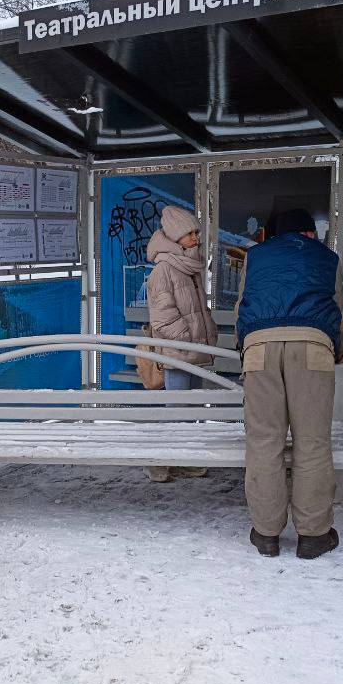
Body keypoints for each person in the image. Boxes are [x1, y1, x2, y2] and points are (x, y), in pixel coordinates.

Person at [235, 204, 342, 560]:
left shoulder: (256, 256)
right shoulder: (326, 258)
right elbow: (334, 307)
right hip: (312, 345)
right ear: (310, 233)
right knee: (312, 442)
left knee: (265, 442)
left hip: (259, 347)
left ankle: (266, 534)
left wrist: (244, 346)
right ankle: (313, 536)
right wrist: (336, 347)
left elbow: (242, 306)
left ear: (273, 234)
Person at [144, 205, 218, 482]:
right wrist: (189, 339)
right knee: (178, 410)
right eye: (190, 233)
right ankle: (161, 461)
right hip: (180, 351)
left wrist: (203, 337)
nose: (196, 238)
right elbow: (162, 318)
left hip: (195, 349)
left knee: (192, 408)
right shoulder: (165, 269)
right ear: (175, 236)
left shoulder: (188, 265)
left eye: (197, 232)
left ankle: (185, 459)